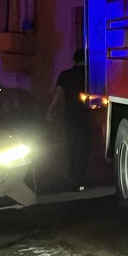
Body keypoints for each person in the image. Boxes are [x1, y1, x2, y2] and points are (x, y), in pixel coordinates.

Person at [48, 49, 90, 191]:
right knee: (84, 145)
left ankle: (73, 177)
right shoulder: (89, 74)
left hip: (70, 114)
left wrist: (50, 110)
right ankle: (82, 177)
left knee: (72, 144)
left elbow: (58, 94)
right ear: (85, 59)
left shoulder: (65, 75)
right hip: (86, 114)